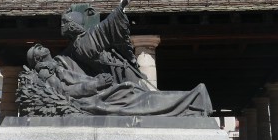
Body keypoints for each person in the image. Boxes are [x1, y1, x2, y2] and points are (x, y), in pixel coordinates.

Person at [25, 42, 212, 117]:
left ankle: (191, 101)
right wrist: (96, 84)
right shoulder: (46, 73)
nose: (41, 47)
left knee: (135, 92)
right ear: (37, 59)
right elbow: (66, 92)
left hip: (98, 94)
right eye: (37, 49)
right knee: (136, 97)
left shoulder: (57, 63)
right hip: (93, 100)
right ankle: (191, 101)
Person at [59, 0, 149, 85]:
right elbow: (62, 58)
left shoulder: (89, 37)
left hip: (120, 72)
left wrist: (121, 6)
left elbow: (107, 24)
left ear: (73, 25)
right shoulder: (74, 45)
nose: (62, 25)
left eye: (65, 22)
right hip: (105, 76)